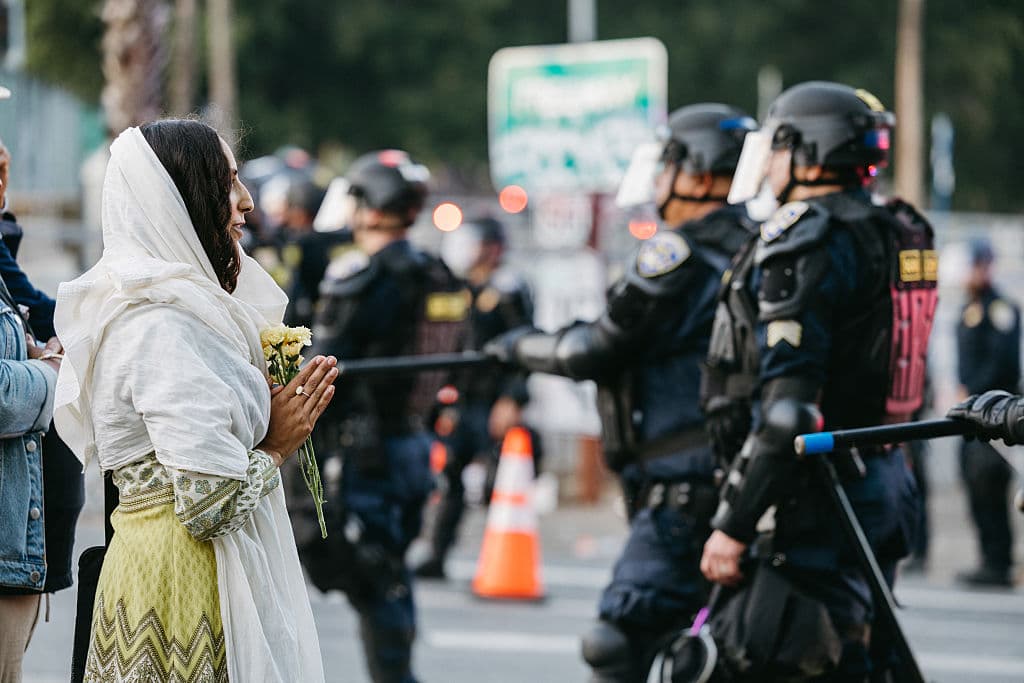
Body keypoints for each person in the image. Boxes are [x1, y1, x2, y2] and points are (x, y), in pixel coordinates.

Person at [52, 121, 336, 683]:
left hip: (168, 567)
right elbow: (207, 505)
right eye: (228, 182)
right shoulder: (162, 324)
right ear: (181, 200)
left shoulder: (170, 309)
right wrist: (277, 445)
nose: (247, 202)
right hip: (180, 582)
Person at [486, 103, 758, 682]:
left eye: (669, 166)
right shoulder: (756, 247)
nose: (659, 181)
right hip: (742, 482)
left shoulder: (675, 255)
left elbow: (596, 349)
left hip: (684, 490)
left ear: (702, 173)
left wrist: (518, 348)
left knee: (618, 642)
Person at [700, 82, 933, 680]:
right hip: (884, 485)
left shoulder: (809, 238)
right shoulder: (897, 227)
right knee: (859, 654)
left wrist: (733, 525)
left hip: (815, 504)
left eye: (777, 147)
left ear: (808, 151)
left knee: (781, 659)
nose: (769, 164)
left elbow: (789, 413)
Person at [300, 149, 468, 683]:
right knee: (389, 567)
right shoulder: (438, 272)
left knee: (372, 570)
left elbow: (321, 363)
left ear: (368, 207)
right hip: (416, 444)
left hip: (368, 450)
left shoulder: (363, 277)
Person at [415, 216, 534, 580]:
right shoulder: (456, 288)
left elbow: (523, 347)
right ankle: (437, 552)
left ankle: (498, 556)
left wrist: (513, 399)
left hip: (492, 399)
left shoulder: (508, 289)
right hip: (458, 399)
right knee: (449, 476)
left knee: (499, 480)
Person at [953, 238, 1020, 587]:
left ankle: (999, 562)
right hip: (970, 417)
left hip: (992, 416)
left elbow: (1002, 363)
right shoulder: (971, 308)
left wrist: (973, 391)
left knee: (990, 485)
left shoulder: (1000, 309)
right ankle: (987, 559)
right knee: (974, 486)